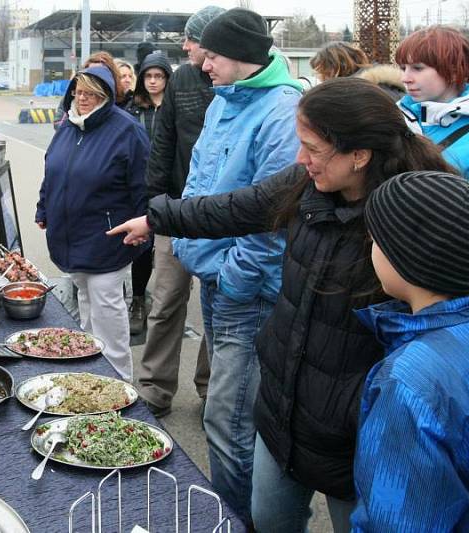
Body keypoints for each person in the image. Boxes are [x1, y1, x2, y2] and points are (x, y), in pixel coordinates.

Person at [108, 77, 457, 532]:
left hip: (354, 433)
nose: (299, 159)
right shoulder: (308, 183)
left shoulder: (413, 215)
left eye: (312, 148)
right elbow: (232, 208)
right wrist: (157, 218)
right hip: (285, 408)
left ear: (359, 154)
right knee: (269, 518)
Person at [147, 8, 301, 525]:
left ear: (241, 55)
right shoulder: (222, 101)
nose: (201, 64)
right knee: (232, 418)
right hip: (214, 279)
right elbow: (198, 182)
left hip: (245, 290)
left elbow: (274, 219)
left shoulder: (283, 112)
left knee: (227, 423)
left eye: (210, 54)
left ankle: (235, 520)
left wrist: (234, 275)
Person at [352, 171, 469, 531]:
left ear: (405, 258)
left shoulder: (407, 384)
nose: (370, 245)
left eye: (377, 238)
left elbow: (399, 519)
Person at [136, 5, 224, 420]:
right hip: (176, 210)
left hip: (224, 218)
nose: (185, 45)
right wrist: (156, 205)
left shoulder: (237, 83)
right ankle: (155, 387)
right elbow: (164, 140)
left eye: (192, 38)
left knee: (219, 308)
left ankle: (210, 389)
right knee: (167, 300)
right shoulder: (184, 78)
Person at [36, 65, 149, 382]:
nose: (83, 98)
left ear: (107, 96)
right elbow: (52, 171)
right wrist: (44, 207)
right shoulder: (68, 125)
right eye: (79, 91)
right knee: (86, 310)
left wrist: (145, 229)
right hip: (70, 237)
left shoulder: (126, 131)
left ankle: (119, 385)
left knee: (107, 314)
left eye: (91, 94)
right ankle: (90, 378)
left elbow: (144, 187)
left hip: (107, 239)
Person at [395, 26, 469, 311]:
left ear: (452, 69)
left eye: (418, 67)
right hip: (404, 282)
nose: (406, 77)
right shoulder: (400, 124)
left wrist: (453, 277)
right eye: (403, 67)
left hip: (459, 296)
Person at [124, 51, 172, 335]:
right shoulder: (134, 108)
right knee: (141, 244)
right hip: (139, 185)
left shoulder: (174, 107)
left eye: (159, 76)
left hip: (168, 185)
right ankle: (138, 300)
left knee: (167, 246)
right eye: (149, 76)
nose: (153, 82)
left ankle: (166, 302)